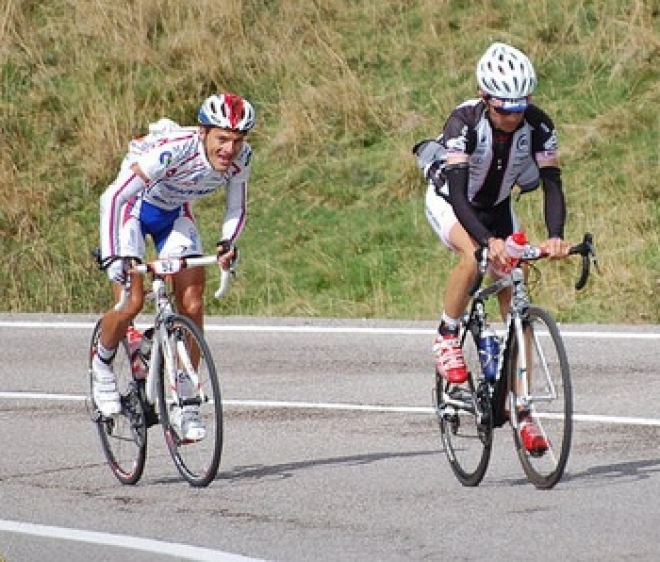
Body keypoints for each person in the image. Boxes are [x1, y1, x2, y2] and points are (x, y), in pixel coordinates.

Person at [413, 42, 570, 453]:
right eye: (503, 109)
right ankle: (447, 336)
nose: (512, 117)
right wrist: (488, 242)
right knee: (476, 257)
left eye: (519, 108)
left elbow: (552, 184)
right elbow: (463, 197)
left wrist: (554, 235)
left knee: (518, 298)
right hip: (451, 200)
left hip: (499, 207)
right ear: (486, 99)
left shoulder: (539, 125)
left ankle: (524, 410)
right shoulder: (462, 122)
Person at [91, 93, 256, 442]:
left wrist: (227, 243)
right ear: (203, 133)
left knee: (193, 302)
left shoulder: (242, 160)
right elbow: (114, 197)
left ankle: (186, 402)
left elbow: (236, 207)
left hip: (173, 214)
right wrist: (112, 256)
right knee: (131, 301)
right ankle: (102, 364)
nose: (230, 149)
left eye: (238, 141)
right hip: (132, 209)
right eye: (222, 139)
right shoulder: (176, 149)